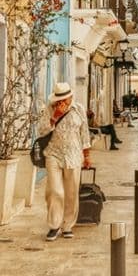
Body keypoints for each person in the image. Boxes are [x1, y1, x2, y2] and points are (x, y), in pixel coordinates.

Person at [38, 81, 92, 241]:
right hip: (53, 153)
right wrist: (54, 118)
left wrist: (87, 155)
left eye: (65, 99)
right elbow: (41, 131)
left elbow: (85, 133)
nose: (61, 102)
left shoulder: (79, 109)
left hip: (74, 154)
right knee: (55, 191)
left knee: (72, 191)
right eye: (58, 100)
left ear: (70, 97)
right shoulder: (48, 109)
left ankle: (68, 225)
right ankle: (54, 225)